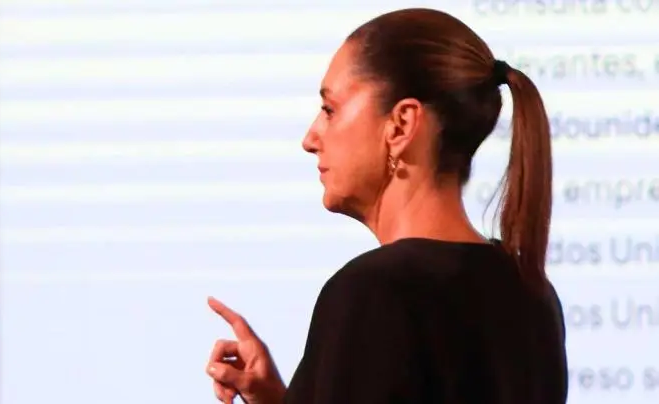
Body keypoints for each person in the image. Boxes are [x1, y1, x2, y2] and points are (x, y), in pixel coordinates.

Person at [205, 7, 568, 404]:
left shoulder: (373, 293)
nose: (310, 138)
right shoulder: (533, 295)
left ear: (401, 125)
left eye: (330, 110)